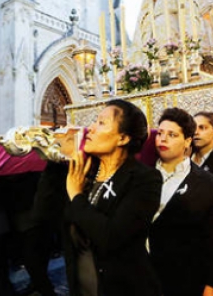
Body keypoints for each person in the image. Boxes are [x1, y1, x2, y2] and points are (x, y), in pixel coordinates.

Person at [62, 99, 162, 295]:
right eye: (94, 121)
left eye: (101, 123)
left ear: (123, 138)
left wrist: (76, 196)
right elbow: (43, 215)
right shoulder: (84, 173)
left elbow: (111, 237)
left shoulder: (145, 179)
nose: (90, 128)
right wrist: (56, 158)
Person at [148, 108, 213, 296]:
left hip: (185, 279)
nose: (163, 139)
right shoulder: (141, 176)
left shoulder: (208, 183)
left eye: (172, 134)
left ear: (187, 141)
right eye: (160, 133)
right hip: (141, 277)